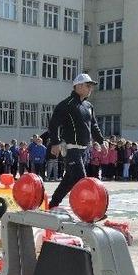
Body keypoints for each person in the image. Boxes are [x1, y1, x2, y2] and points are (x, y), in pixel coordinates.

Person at [46, 73, 105, 207]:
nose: (91, 88)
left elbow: (94, 126)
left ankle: (53, 204)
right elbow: (53, 124)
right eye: (88, 85)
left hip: (84, 150)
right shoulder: (66, 104)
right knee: (82, 179)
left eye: (91, 86)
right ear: (78, 86)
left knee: (69, 180)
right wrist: (55, 143)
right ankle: (90, 209)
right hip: (71, 148)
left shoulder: (89, 106)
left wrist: (101, 141)